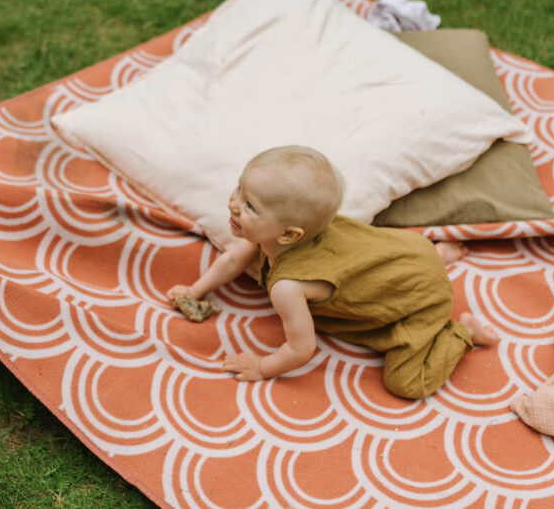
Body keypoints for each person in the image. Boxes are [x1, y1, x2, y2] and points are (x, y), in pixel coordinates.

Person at [166, 145, 499, 399]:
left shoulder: (288, 286)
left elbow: (301, 347)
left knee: (406, 385)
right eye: (239, 188)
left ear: (288, 235)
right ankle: (437, 254)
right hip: (412, 252)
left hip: (420, 297)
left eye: (250, 205)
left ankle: (463, 332)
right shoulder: (295, 230)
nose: (233, 204)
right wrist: (194, 291)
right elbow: (231, 261)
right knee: (379, 254)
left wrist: (261, 367)